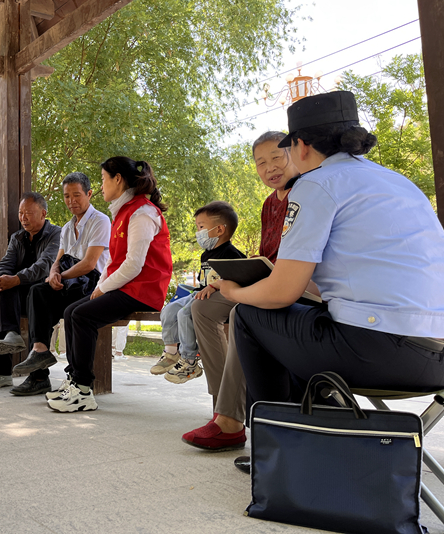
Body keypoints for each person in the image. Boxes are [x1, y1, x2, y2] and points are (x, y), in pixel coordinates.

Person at [216, 91, 444, 466]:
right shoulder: (398, 182)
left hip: (378, 352)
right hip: (435, 356)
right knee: (303, 325)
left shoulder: (317, 184)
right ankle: (323, 443)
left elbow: (282, 292)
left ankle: (279, 451)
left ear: (301, 146)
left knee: (250, 315)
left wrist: (234, 291)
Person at [181, 131, 301, 450]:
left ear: (296, 154)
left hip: (296, 285)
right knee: (202, 307)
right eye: (261, 162)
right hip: (267, 279)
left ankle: (230, 419)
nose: (269, 167)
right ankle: (223, 405)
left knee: (241, 313)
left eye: (276, 157)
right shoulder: (269, 204)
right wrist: (227, 279)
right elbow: (266, 255)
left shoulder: (307, 194)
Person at [47, 157, 172, 412]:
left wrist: (103, 288)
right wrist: (100, 286)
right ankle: (74, 380)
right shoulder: (123, 211)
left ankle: (83, 391)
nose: (102, 185)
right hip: (126, 286)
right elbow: (114, 261)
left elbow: (134, 265)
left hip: (143, 289)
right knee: (71, 312)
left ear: (118, 179)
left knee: (82, 316)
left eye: (104, 179)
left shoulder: (142, 212)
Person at [10, 173, 110, 396]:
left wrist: (61, 277)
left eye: (76, 195)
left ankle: (74, 379)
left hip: (92, 286)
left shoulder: (100, 221)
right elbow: (57, 260)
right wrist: (54, 274)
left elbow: (89, 264)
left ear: (89, 194)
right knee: (38, 293)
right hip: (71, 284)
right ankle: (39, 359)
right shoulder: (66, 227)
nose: (71, 201)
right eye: (66, 196)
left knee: (70, 311)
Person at [151, 202, 245, 385]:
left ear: (219, 229)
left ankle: (190, 360)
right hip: (198, 293)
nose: (198, 232)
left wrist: (215, 286)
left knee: (184, 314)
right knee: (169, 310)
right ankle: (171, 353)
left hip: (214, 298)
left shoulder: (232, 254)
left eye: (201, 227)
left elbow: (237, 278)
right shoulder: (206, 254)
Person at [0, 193, 60, 389]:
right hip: (20, 294)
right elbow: (7, 262)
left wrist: (15, 279)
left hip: (47, 294)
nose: (23, 218)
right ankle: (5, 357)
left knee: (32, 294)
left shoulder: (56, 234)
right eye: (21, 213)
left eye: (28, 213)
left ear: (43, 213)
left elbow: (45, 265)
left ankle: (37, 377)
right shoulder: (17, 237)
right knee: (1, 293)